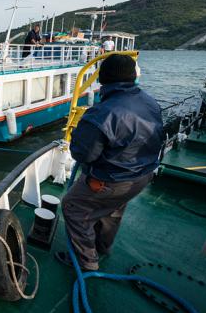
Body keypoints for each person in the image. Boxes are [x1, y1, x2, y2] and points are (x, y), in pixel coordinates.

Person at [55, 54, 164, 271]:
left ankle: (86, 262)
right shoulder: (150, 102)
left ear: (103, 79)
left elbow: (83, 155)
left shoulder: (101, 113)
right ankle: (102, 247)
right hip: (142, 176)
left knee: (73, 207)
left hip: (112, 180)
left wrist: (80, 135)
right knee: (113, 209)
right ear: (133, 77)